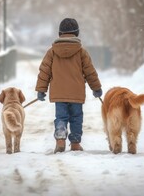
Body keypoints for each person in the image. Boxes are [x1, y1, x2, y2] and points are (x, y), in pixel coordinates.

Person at [35, 18, 102, 153]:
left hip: (59, 94)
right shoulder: (81, 52)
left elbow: (44, 71)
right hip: (76, 93)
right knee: (76, 118)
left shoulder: (52, 52)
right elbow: (90, 72)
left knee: (61, 117)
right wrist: (96, 88)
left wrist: (41, 89)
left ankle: (60, 139)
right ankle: (75, 143)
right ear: (77, 33)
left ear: (60, 33)